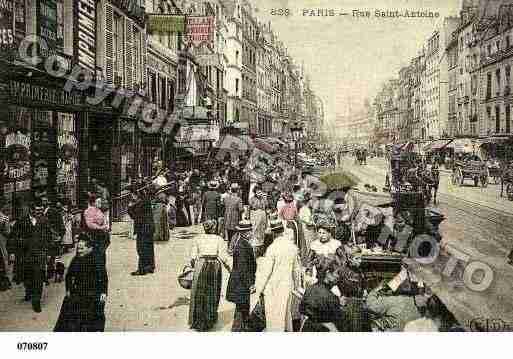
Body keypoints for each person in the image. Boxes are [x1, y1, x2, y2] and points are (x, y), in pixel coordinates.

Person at [54, 235, 108, 331]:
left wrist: (103, 292)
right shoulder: (76, 259)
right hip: (78, 290)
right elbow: (69, 275)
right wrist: (68, 289)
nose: (79, 251)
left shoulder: (97, 259)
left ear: (90, 248)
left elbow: (103, 278)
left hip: (93, 292)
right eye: (78, 248)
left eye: (82, 248)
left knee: (95, 316)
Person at [252, 225, 300, 331]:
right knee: (286, 312)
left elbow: (266, 272)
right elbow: (296, 270)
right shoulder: (292, 247)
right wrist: (297, 286)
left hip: (273, 286)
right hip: (287, 285)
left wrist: (259, 289)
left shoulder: (272, 249)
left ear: (273, 233)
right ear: (283, 231)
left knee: (274, 315)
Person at [11, 200, 52, 313]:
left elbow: (49, 237)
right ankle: (29, 291)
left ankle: (36, 301)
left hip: (40, 254)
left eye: (41, 210)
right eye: (36, 210)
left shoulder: (44, 221)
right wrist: (13, 252)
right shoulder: (21, 221)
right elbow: (13, 237)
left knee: (38, 277)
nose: (39, 212)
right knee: (28, 277)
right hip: (25, 255)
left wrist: (49, 253)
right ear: (30, 210)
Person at [188, 220, 230, 331]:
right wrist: (230, 268)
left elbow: (192, 257)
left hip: (200, 265)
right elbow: (223, 257)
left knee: (199, 291)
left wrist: (193, 265)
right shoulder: (219, 239)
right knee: (212, 292)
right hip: (214, 266)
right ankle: (209, 319)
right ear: (213, 228)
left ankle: (198, 320)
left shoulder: (197, 239)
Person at [299, 256, 349, 332]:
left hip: (307, 327)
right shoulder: (330, 296)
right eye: (337, 273)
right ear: (328, 273)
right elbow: (338, 318)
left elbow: (302, 309)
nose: (338, 277)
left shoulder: (310, 289)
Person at [226, 220, 257, 331]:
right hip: (241, 283)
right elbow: (243, 269)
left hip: (240, 282)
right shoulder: (243, 246)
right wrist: (250, 285)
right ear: (245, 232)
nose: (251, 233)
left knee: (242, 309)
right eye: (250, 231)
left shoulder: (242, 243)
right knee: (241, 309)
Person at [127, 186, 155, 276]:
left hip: (143, 228)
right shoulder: (146, 200)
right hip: (149, 227)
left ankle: (142, 269)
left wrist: (130, 207)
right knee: (149, 247)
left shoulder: (140, 203)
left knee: (141, 248)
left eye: (132, 195)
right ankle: (150, 266)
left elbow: (135, 216)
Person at [83, 193, 110, 269]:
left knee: (101, 251)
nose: (100, 204)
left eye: (100, 202)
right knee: (97, 251)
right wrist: (101, 227)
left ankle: (100, 267)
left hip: (101, 233)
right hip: (94, 234)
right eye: (98, 202)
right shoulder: (89, 211)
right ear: (93, 203)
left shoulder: (98, 210)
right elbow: (90, 224)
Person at [248, 187, 268, 257]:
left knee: (262, 232)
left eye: (260, 192)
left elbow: (266, 206)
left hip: (262, 216)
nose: (259, 194)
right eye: (258, 192)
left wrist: (264, 199)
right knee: (255, 231)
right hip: (255, 216)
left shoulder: (264, 199)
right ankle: (255, 249)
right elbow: (252, 206)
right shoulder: (252, 199)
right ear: (255, 192)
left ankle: (261, 249)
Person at [223, 183, 244, 250]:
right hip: (235, 218)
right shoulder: (238, 199)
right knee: (235, 233)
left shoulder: (226, 198)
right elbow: (241, 209)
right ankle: (231, 248)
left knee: (229, 233)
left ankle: (229, 246)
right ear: (237, 190)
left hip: (227, 218)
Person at [0, 201, 11, 291]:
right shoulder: (4, 218)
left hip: (3, 241)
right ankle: (5, 282)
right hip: (2, 241)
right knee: (4, 259)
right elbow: (7, 232)